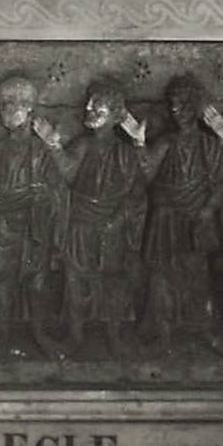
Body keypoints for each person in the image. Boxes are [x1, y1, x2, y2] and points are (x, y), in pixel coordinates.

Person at [140, 75, 223, 353]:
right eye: (173, 106)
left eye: (183, 106)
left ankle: (203, 330)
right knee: (161, 278)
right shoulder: (166, 142)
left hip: (197, 219)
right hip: (166, 219)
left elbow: (222, 183)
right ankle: (163, 334)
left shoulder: (208, 145)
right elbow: (146, 172)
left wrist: (205, 213)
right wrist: (138, 144)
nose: (176, 111)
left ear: (195, 107)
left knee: (197, 277)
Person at [0, 74, 66, 357]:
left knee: (37, 284)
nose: (9, 110)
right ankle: (0, 336)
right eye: (4, 104)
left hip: (34, 229)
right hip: (1, 231)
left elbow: (59, 190)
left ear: (30, 108)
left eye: (18, 103)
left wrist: (45, 197)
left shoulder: (43, 151)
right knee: (1, 285)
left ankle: (39, 332)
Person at [59, 79, 148, 359]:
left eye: (97, 106)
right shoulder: (82, 145)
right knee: (75, 281)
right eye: (89, 103)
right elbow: (67, 172)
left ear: (115, 114)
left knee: (113, 284)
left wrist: (139, 143)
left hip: (113, 226)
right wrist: (53, 147)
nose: (88, 108)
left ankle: (113, 336)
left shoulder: (125, 152)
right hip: (82, 224)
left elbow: (137, 192)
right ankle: (75, 336)